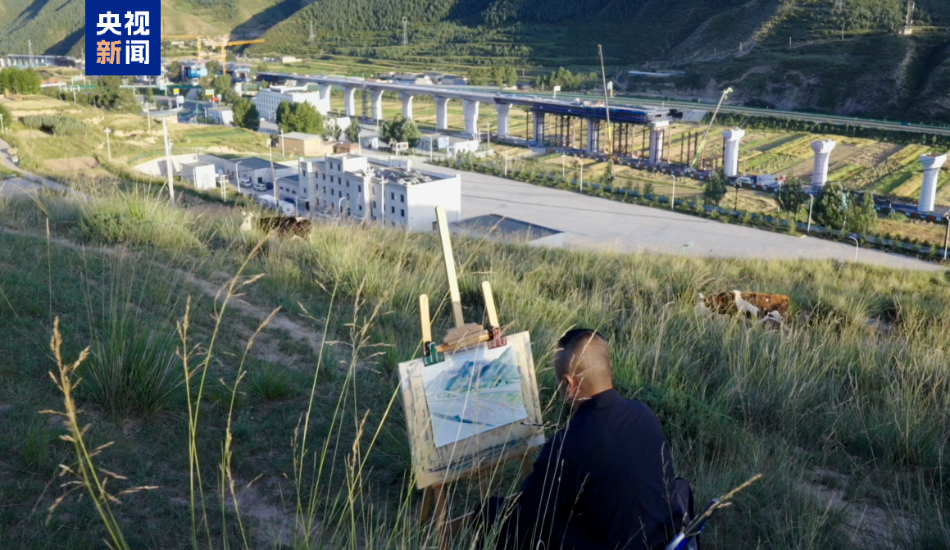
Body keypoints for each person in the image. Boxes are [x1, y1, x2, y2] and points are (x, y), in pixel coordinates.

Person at [485, 328, 690, 550]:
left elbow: (526, 511)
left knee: (493, 513)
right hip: (662, 541)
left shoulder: (569, 444)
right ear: (608, 366)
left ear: (569, 384)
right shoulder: (644, 413)